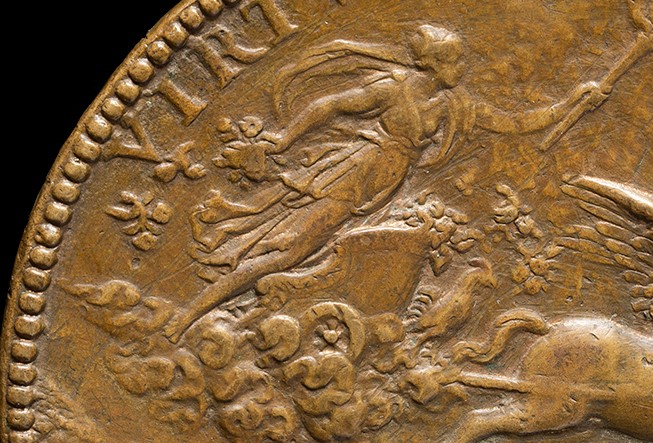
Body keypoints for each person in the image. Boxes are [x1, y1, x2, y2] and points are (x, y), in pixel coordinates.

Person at [165, 25, 607, 341]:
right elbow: (330, 105)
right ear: (433, 63)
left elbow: (512, 123)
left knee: (311, 255)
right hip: (351, 174)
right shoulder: (394, 88)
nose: (461, 67)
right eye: (455, 60)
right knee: (287, 251)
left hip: (381, 189)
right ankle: (190, 315)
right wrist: (284, 138)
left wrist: (572, 102)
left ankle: (247, 311)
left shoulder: (455, 104)